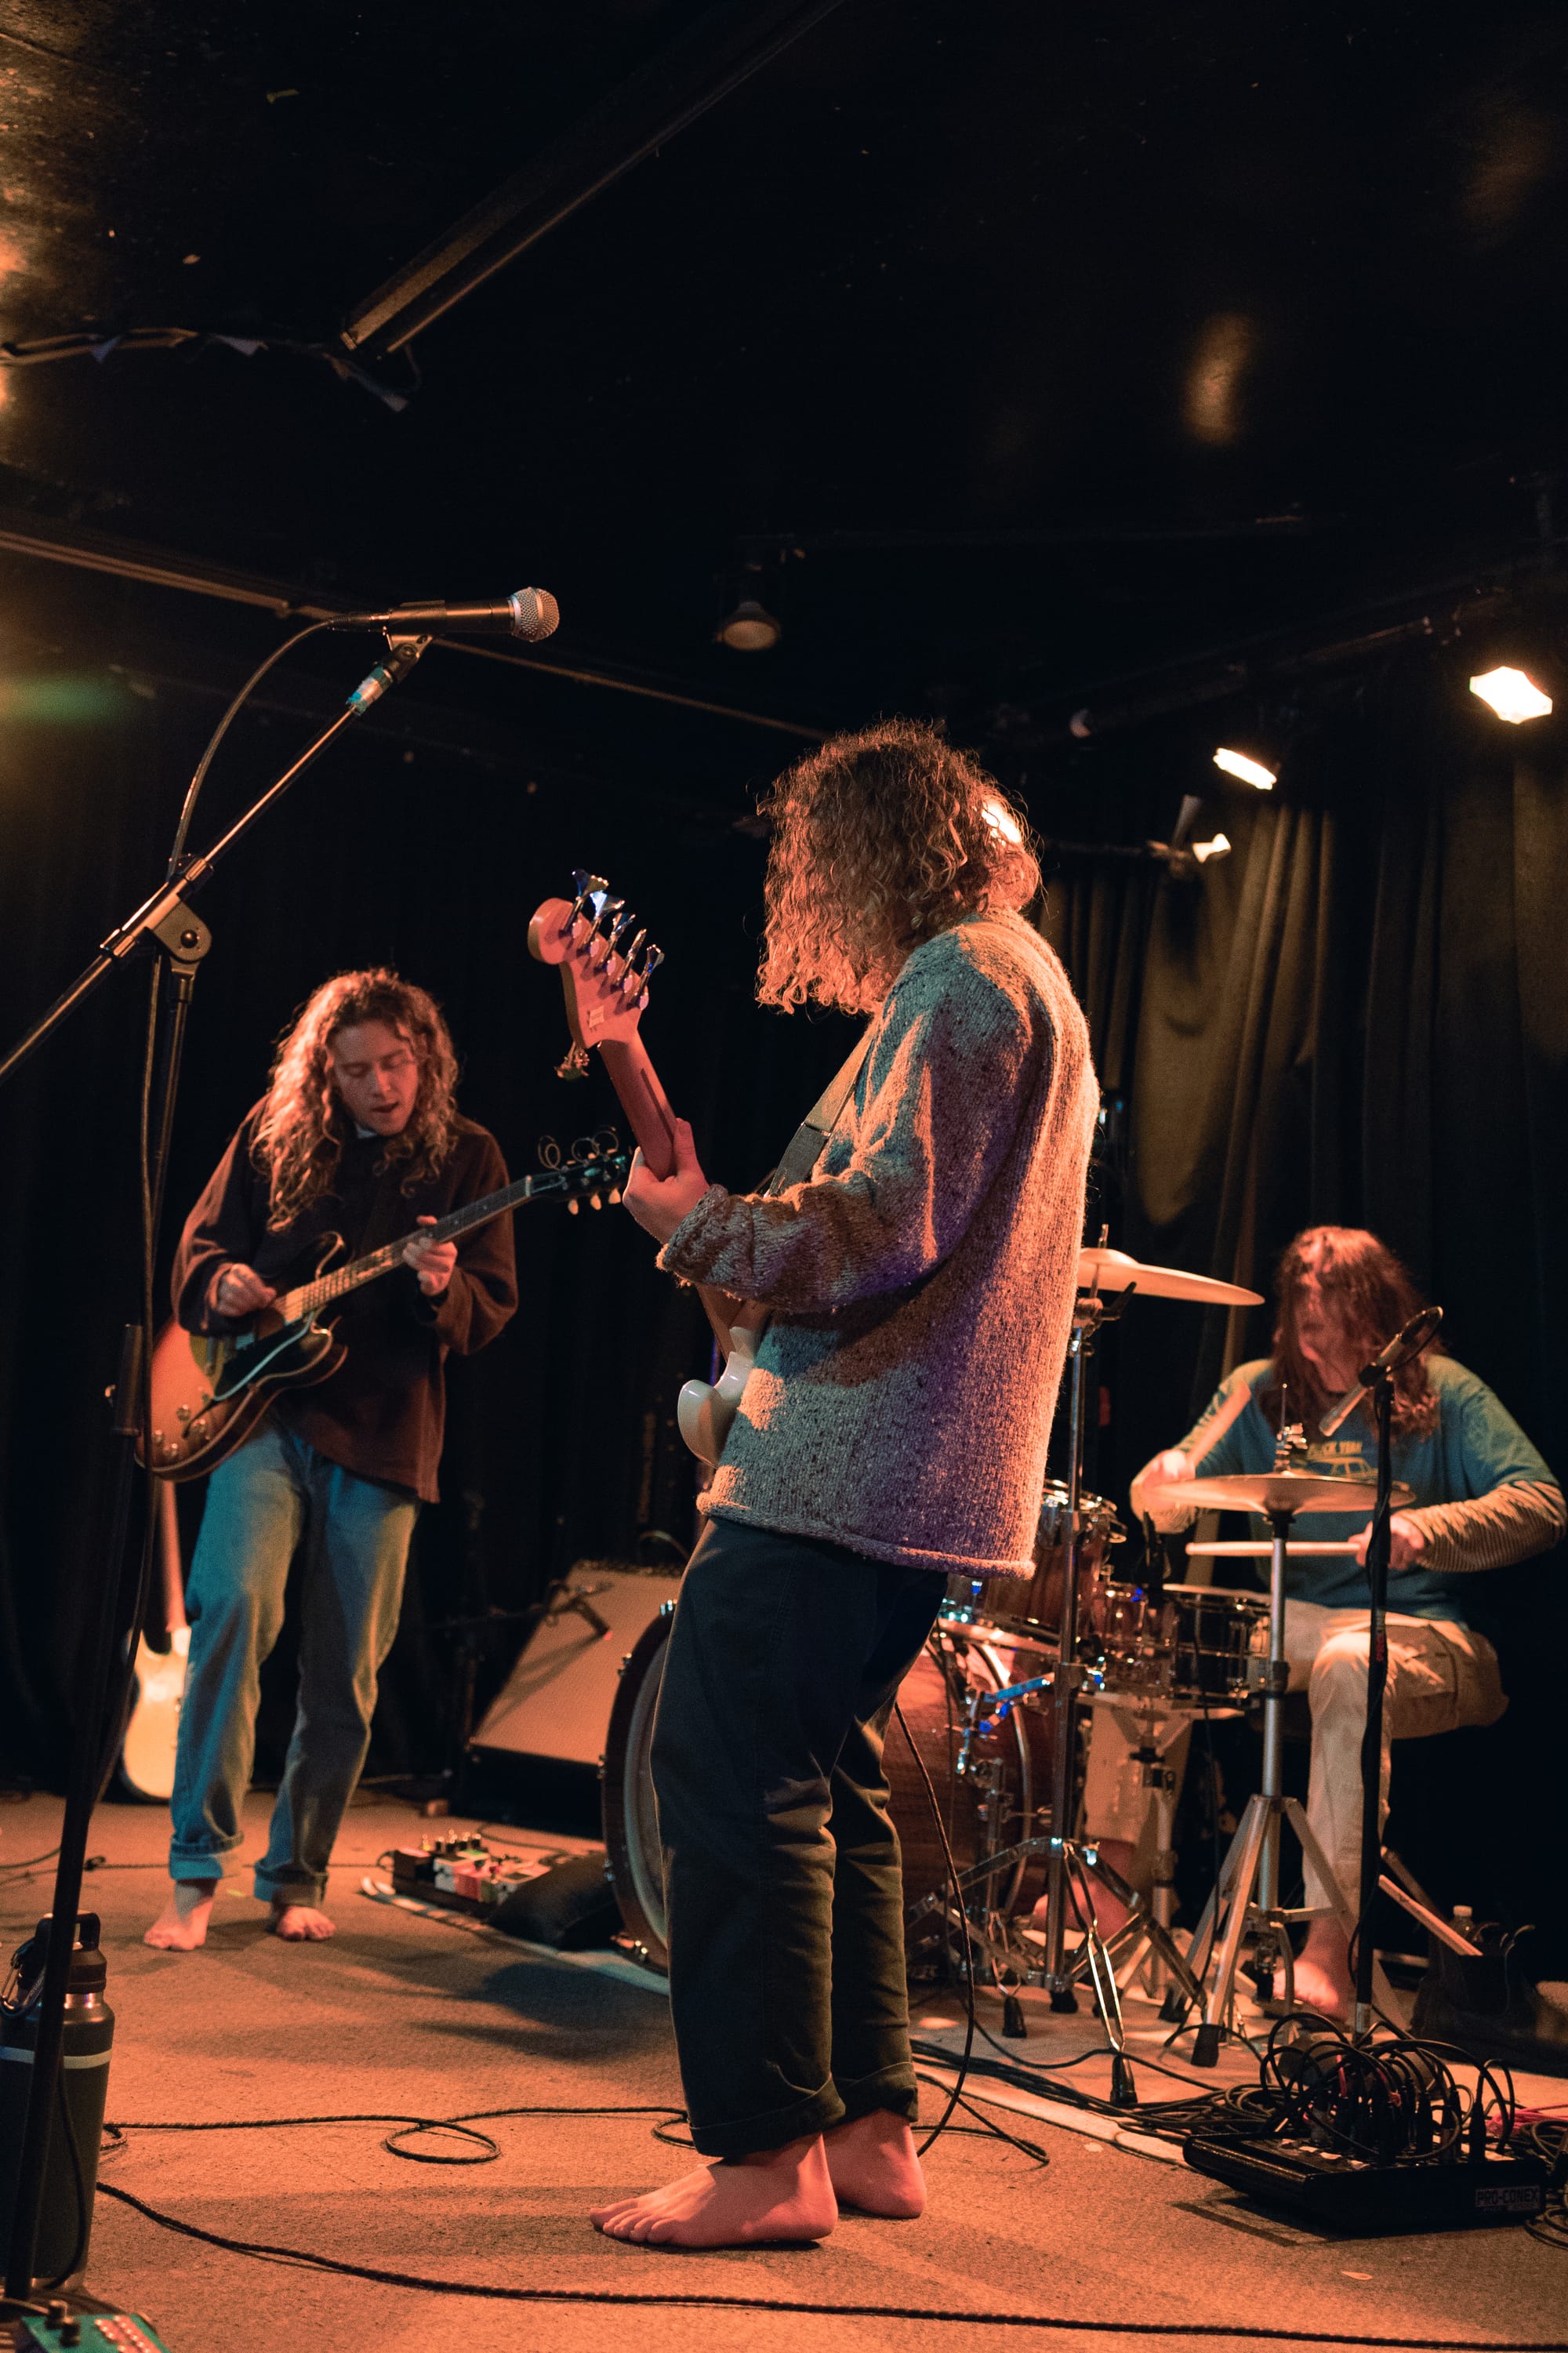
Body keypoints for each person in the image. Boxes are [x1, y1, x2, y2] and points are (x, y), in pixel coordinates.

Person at [591, 719, 1098, 2248]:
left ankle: (767, 2158)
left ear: (870, 849)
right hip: (920, 1480)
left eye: (812, 858)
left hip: (848, 1465)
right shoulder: (1026, 980)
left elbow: (881, 1224)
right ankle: (871, 2129)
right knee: (830, 1782)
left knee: (727, 1772)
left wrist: (699, 1227)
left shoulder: (962, 975)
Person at [1102, 1224, 1564, 2017]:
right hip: (1290, 1620)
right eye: (1304, 1330)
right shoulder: (1257, 1389)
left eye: (1336, 1331)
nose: (1317, 1352)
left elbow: (1542, 1504)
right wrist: (1162, 1482)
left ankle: (1329, 1948)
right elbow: (1170, 1501)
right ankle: (1110, 1889)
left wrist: (1426, 1530)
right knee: (1157, 1642)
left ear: (1377, 1318)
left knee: (1352, 1661)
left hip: (1420, 1629)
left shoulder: (1444, 1392)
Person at [144, 971, 517, 1951]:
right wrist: (221, 1281)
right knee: (231, 1613)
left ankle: (295, 1874)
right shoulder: (275, 1135)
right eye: (356, 1071)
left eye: (395, 1063)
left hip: (387, 1430)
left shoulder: (469, 1157)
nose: (380, 1086)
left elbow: (486, 1309)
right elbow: (200, 1248)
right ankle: (195, 1870)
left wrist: (439, 1287)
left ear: (423, 1057)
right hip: (264, 1415)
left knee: (345, 1669)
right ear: (325, 1074)